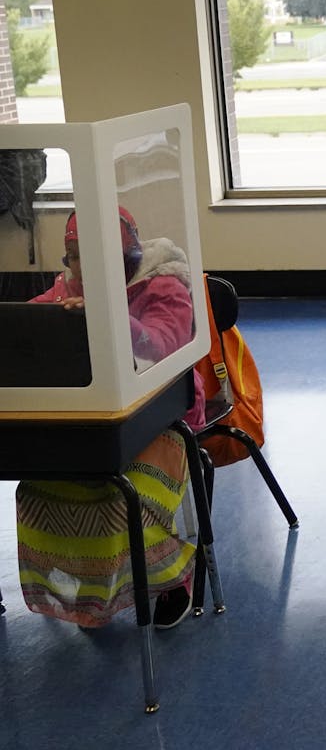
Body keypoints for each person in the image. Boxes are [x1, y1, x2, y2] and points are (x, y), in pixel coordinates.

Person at [18, 207, 203, 628]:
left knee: (123, 494)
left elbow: (163, 347)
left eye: (100, 256)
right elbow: (27, 325)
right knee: (37, 489)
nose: (87, 270)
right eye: (78, 258)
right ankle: (91, 586)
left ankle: (171, 581)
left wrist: (110, 319)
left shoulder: (164, 285)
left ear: (129, 254)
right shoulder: (69, 287)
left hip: (162, 416)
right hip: (93, 420)